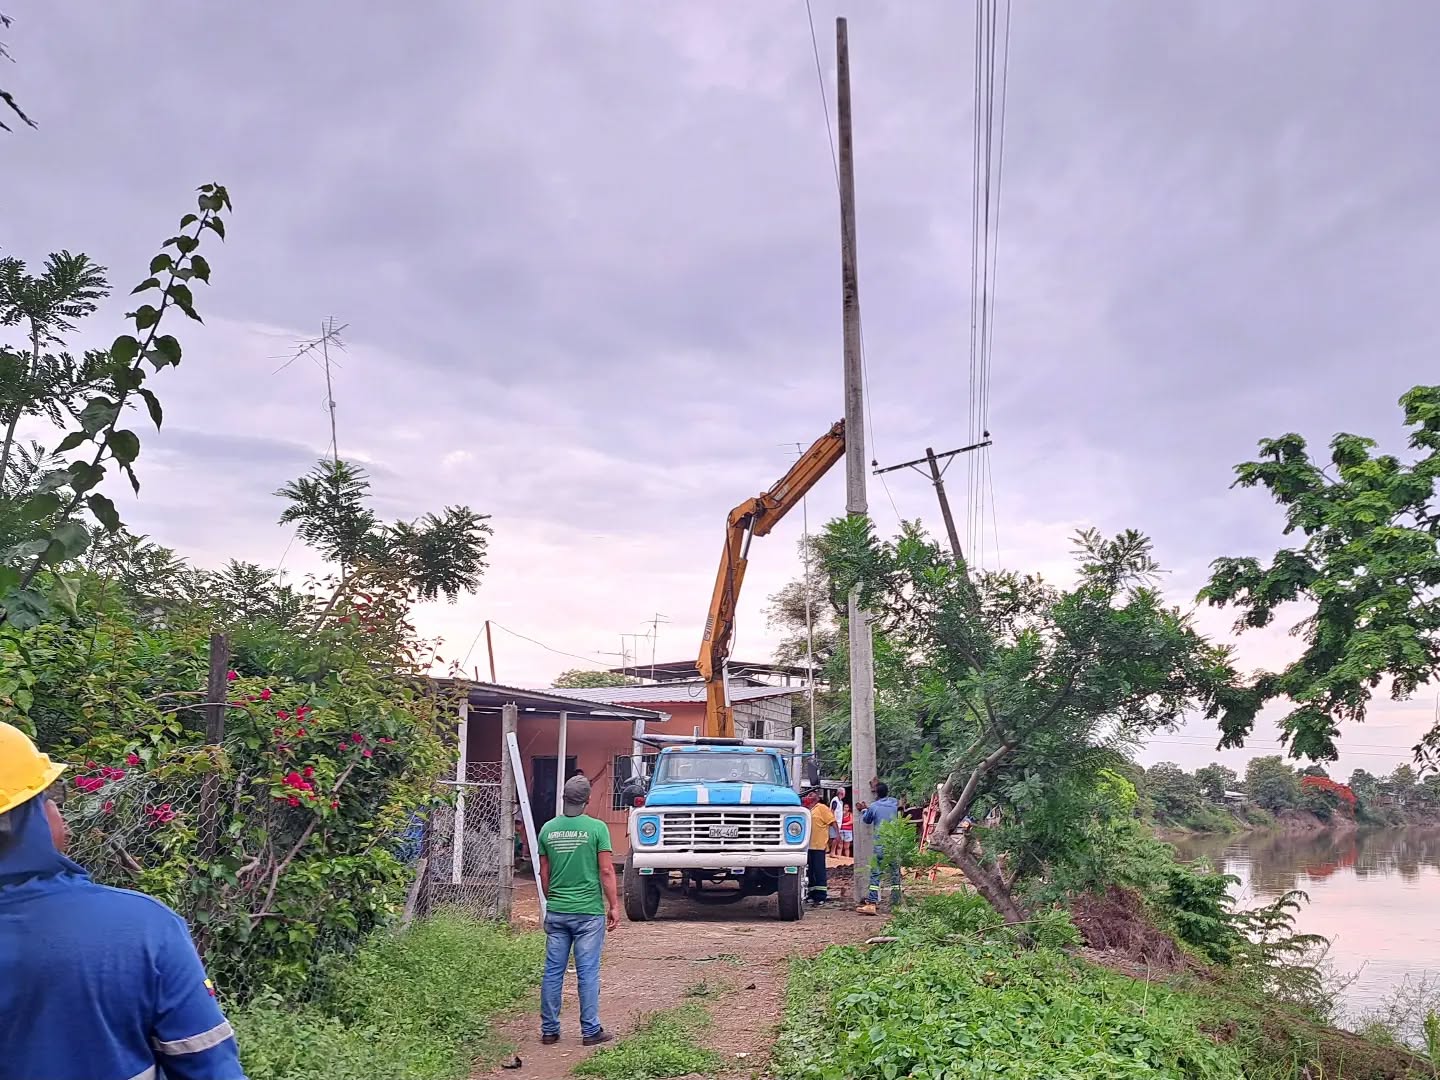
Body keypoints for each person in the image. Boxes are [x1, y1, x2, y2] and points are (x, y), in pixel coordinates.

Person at [0, 721, 247, 1080]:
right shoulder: (142, 928)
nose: (60, 813)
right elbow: (210, 1069)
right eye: (49, 799)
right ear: (27, 821)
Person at [537, 774, 618, 1047]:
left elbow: (544, 872)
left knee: (553, 971)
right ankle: (590, 1030)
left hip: (557, 911)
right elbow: (606, 870)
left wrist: (553, 899)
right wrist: (614, 905)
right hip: (588, 914)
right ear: (587, 800)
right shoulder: (597, 829)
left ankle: (549, 1030)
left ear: (564, 798)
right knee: (587, 972)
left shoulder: (548, 829)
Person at [856, 781, 901, 916]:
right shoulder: (894, 803)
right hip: (893, 844)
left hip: (880, 845)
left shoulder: (874, 807)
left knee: (875, 873)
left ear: (876, 793)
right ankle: (896, 903)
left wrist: (864, 809)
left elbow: (867, 820)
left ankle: (872, 904)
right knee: (895, 874)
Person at [803, 792, 835, 905]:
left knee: (819, 871)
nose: (809, 796)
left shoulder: (821, 808)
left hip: (818, 845)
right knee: (810, 871)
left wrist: (837, 836)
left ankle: (821, 896)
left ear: (817, 798)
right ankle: (811, 894)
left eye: (811, 795)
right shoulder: (807, 809)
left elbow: (832, 822)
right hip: (807, 846)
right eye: (808, 795)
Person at [827, 788, 845, 855]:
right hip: (834, 822)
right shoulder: (835, 800)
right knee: (835, 837)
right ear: (841, 793)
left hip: (838, 822)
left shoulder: (840, 802)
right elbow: (832, 811)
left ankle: (832, 851)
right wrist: (833, 820)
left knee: (835, 837)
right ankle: (832, 852)